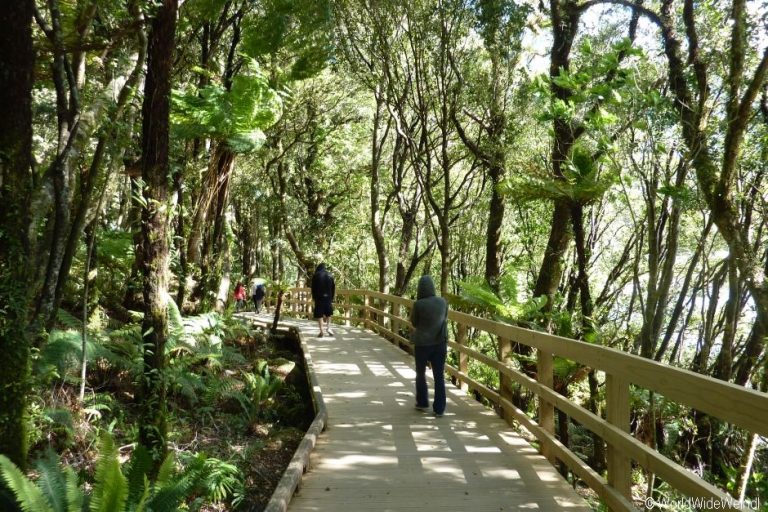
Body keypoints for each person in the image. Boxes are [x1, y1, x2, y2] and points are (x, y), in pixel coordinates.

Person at [410, 275, 448, 417]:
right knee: (439, 376)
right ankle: (439, 408)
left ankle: (422, 402)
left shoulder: (418, 304)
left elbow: (414, 322)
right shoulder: (443, 302)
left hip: (422, 344)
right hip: (439, 343)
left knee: (420, 374)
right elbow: (445, 319)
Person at [311, 263, 335, 337]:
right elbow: (333, 288)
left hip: (319, 297)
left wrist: (314, 297)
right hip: (328, 297)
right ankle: (328, 328)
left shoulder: (316, 275)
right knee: (328, 313)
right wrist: (332, 297)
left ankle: (321, 331)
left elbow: (313, 288)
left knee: (319, 314)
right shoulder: (330, 275)